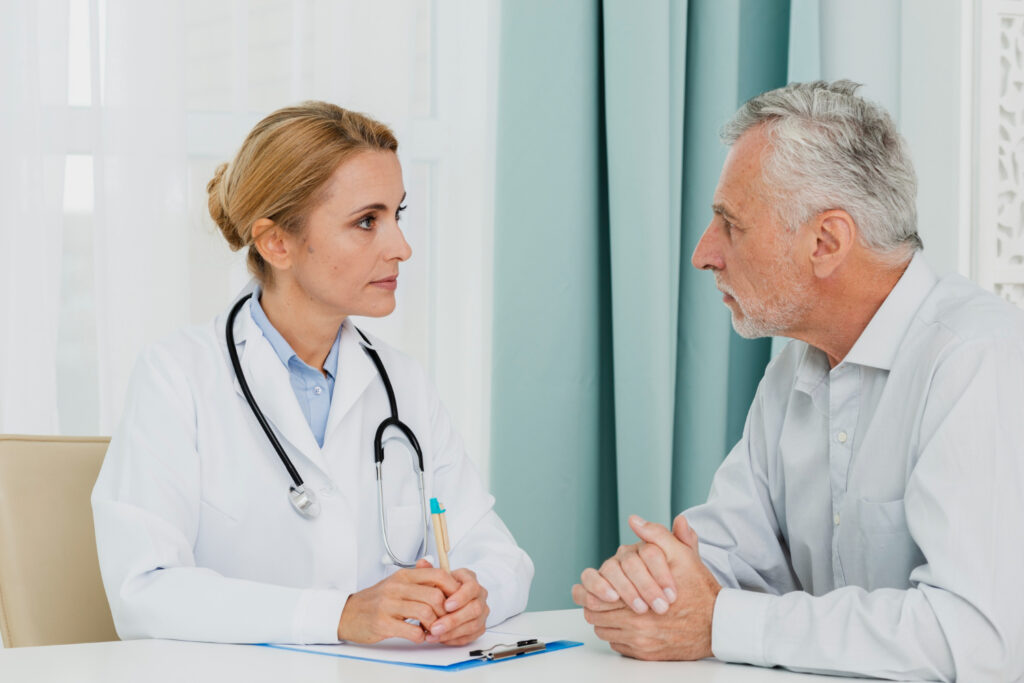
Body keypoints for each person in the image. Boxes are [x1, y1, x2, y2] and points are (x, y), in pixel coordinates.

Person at [572, 80, 1024, 680]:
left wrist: (719, 622)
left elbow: (968, 640)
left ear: (826, 241)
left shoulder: (977, 360)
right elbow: (730, 558)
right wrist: (653, 584)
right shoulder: (796, 365)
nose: (704, 254)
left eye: (730, 225)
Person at [92, 101, 533, 647]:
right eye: (367, 221)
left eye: (398, 215)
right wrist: (339, 616)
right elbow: (145, 592)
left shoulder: (402, 384)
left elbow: (499, 554)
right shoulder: (177, 377)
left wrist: (475, 592)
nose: (402, 247)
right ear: (276, 242)